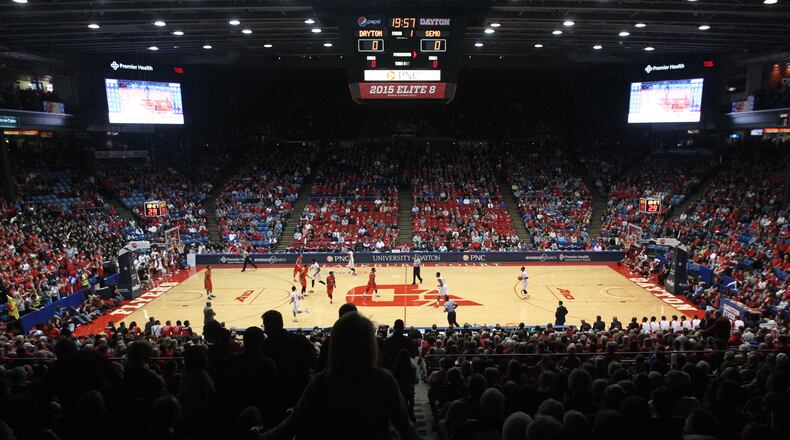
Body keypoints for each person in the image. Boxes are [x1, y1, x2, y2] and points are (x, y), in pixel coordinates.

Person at [259, 312, 420, 440]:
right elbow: (405, 428)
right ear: (371, 345)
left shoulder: (321, 382)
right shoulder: (385, 381)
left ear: (335, 345)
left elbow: (290, 426)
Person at [261, 310, 317, 419]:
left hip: (277, 396)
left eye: (265, 325)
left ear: (267, 327)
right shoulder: (300, 339)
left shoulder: (264, 347)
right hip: (301, 391)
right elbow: (313, 361)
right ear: (281, 323)